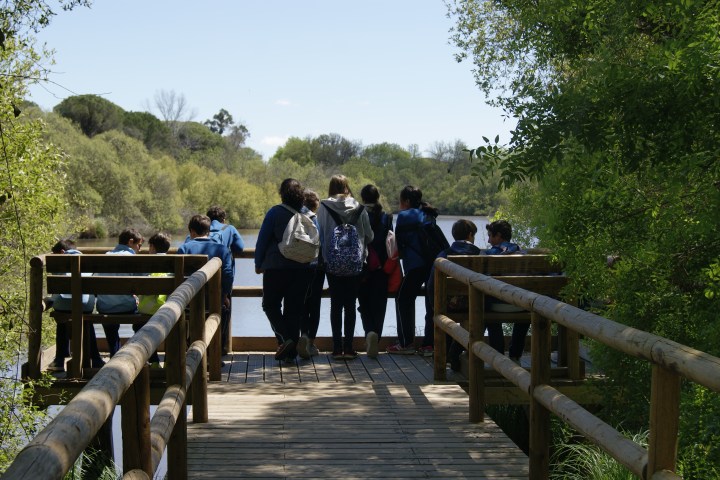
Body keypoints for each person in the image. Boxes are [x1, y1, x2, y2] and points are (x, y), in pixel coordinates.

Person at [424, 220, 504, 370]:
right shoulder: (481, 255)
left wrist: (436, 306)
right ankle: (499, 360)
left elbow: (431, 284)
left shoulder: (444, 255)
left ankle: (450, 355)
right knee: (488, 312)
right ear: (470, 235)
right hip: (475, 305)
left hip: (448, 305)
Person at [255, 179, 315, 363]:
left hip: (276, 268)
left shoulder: (275, 212)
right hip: (304, 269)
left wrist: (258, 263)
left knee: (270, 305)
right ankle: (290, 352)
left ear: (282, 193)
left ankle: (285, 339)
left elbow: (263, 239)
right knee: (294, 310)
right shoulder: (310, 214)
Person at [316, 175, 373, 360]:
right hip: (355, 263)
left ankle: (336, 349)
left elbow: (321, 234)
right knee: (350, 305)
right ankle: (349, 348)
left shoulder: (323, 207)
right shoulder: (359, 207)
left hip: (331, 263)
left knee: (335, 305)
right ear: (347, 187)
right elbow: (369, 236)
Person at [387, 185, 441, 356]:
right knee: (431, 304)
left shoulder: (404, 216)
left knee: (403, 299)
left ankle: (406, 343)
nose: (400, 205)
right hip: (434, 264)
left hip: (415, 264)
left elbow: (399, 243)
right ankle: (428, 345)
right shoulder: (428, 213)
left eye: (401, 201)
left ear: (407, 201)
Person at [46, 239, 104, 372]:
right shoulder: (87, 261)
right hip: (85, 306)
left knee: (62, 318)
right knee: (87, 319)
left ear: (62, 252)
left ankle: (59, 360)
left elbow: (57, 290)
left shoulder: (60, 262)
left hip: (64, 305)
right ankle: (96, 359)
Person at [357, 184, 393, 359]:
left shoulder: (356, 213)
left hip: (361, 266)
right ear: (378, 197)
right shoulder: (386, 217)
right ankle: (375, 338)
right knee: (379, 306)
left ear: (363, 198)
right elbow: (391, 242)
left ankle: (369, 331)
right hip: (381, 267)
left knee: (364, 304)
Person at [482, 219, 526, 362]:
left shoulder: (491, 254)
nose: (488, 240)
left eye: (490, 236)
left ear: (498, 236)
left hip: (498, 304)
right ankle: (515, 354)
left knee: (485, 307)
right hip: (521, 304)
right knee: (526, 314)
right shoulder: (522, 252)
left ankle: (498, 354)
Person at [96, 229, 144, 357]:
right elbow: (144, 284)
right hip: (127, 307)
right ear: (130, 242)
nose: (139, 249)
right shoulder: (132, 258)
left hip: (104, 308)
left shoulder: (104, 257)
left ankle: (114, 353)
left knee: (109, 317)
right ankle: (138, 351)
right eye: (139, 245)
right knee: (143, 318)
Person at [206, 206, 244, 355]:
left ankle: (201, 348)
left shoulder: (201, 227)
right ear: (223, 219)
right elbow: (240, 248)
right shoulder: (229, 228)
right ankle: (219, 350)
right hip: (221, 281)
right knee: (223, 312)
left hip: (198, 282)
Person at [135, 232, 171, 366]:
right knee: (172, 330)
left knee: (138, 326)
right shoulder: (172, 263)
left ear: (152, 247)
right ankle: (169, 362)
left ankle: (153, 360)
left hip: (147, 311)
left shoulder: (147, 264)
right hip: (168, 310)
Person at [298, 189, 323, 359]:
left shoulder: (294, 216)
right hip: (316, 267)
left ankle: (303, 335)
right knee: (314, 305)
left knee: (300, 304)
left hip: (296, 267)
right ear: (315, 204)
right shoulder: (315, 218)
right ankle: (311, 343)